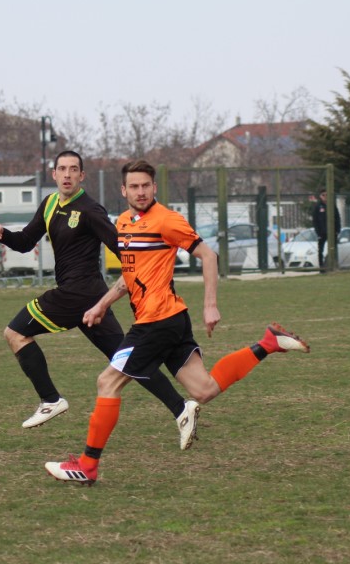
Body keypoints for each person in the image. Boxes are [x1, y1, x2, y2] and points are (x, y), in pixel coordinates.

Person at [45, 159, 310, 485]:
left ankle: (87, 465)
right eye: (135, 187)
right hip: (170, 320)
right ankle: (268, 343)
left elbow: (208, 256)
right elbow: (130, 277)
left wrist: (210, 305)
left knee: (107, 382)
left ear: (154, 188)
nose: (141, 192)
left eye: (146, 186)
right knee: (204, 389)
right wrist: (101, 304)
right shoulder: (125, 223)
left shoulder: (167, 221)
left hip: (157, 322)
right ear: (123, 190)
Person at [0, 151, 200, 450]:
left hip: (77, 294)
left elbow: (122, 245)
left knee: (15, 332)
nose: (67, 174)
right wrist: (3, 234)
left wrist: (150, 273)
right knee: (126, 361)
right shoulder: (49, 204)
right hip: (92, 299)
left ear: (82, 176)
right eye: (62, 169)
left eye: (74, 169)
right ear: (54, 174)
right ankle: (182, 410)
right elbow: (24, 242)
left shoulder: (89, 209)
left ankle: (50, 399)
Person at [312, 189, 341, 272]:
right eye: (323, 195)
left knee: (333, 249)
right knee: (320, 250)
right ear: (320, 196)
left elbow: (337, 217)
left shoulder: (332, 205)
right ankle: (322, 268)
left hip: (332, 232)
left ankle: (333, 265)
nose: (325, 197)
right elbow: (315, 221)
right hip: (322, 232)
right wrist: (318, 233)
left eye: (326, 195)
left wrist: (337, 230)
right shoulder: (318, 206)